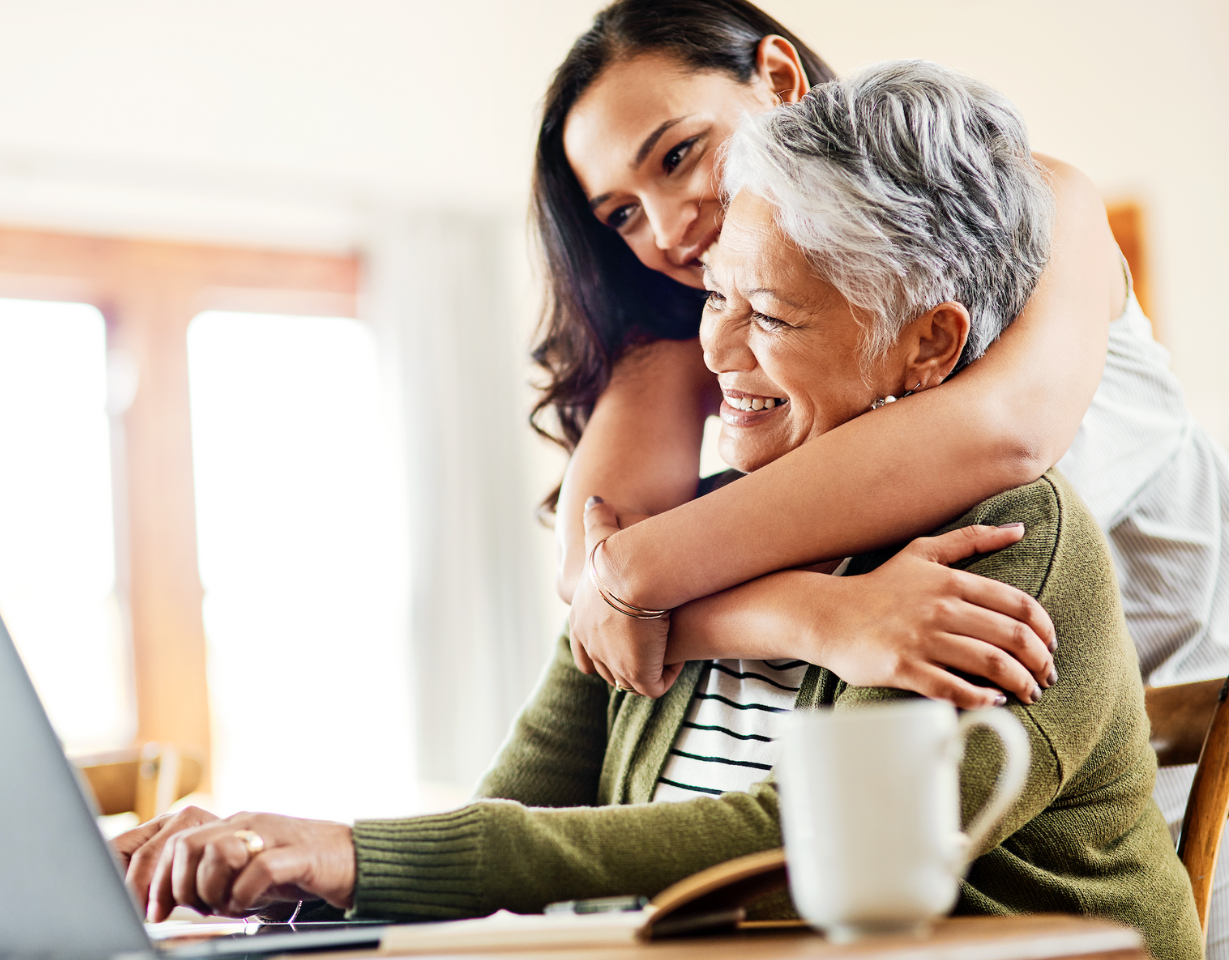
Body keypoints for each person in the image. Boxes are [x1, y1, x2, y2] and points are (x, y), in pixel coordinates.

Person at [111, 62, 1201, 960]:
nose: (716, 352)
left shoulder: (1006, 540)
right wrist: (293, 867)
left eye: (767, 312)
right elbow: (524, 802)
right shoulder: (698, 531)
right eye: (711, 296)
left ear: (927, 345)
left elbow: (799, 846)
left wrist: (357, 852)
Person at [536, 2, 1229, 947]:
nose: (666, 227)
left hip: (1173, 749)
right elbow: (592, 576)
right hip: (958, 745)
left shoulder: (1037, 201)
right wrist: (810, 619)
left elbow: (1002, 433)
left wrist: (642, 582)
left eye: (677, 155)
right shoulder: (698, 317)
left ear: (779, 80)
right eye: (620, 213)